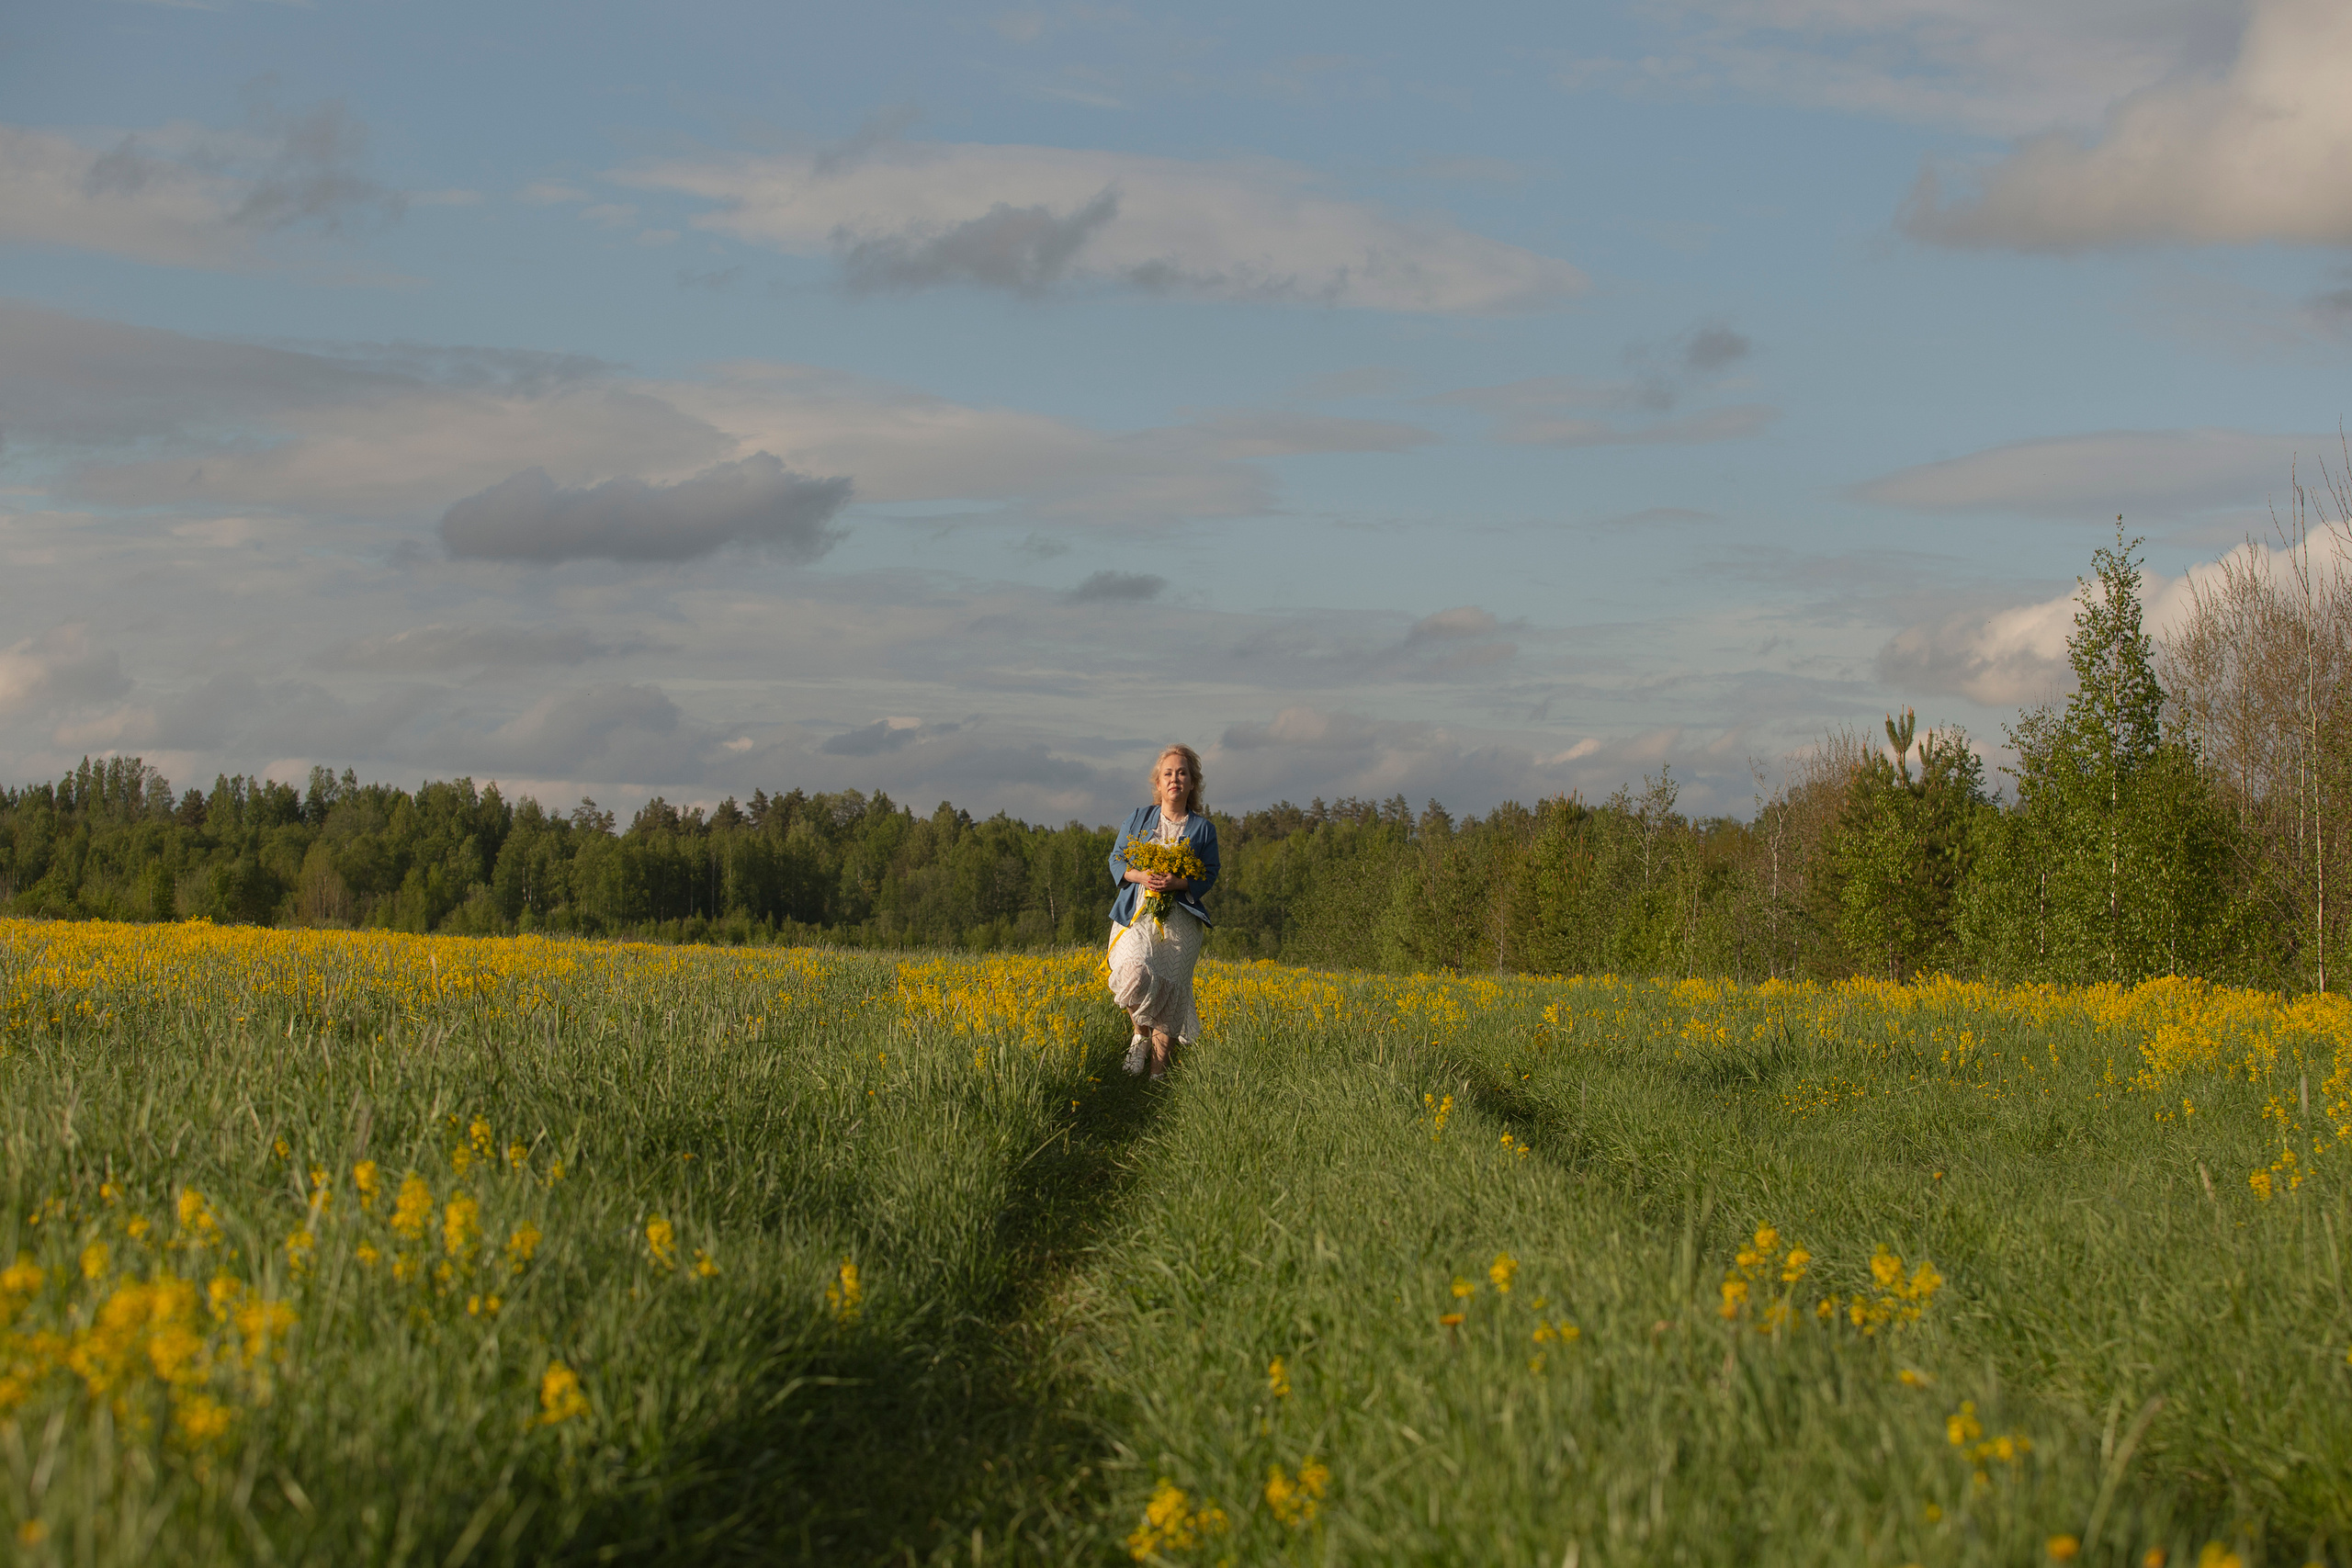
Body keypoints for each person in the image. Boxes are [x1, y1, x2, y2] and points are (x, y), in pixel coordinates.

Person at [1107, 744, 1219, 1079]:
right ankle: (1139, 1035)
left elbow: (1209, 873)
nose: (1175, 779)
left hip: (1182, 917)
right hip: (1138, 911)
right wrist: (1142, 876)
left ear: (1192, 783)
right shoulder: (1138, 818)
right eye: (1168, 774)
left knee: (1171, 993)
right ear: (1158, 783)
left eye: (1182, 773)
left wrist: (1178, 882)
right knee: (1134, 972)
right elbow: (1117, 858)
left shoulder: (1203, 830)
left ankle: (1156, 1078)